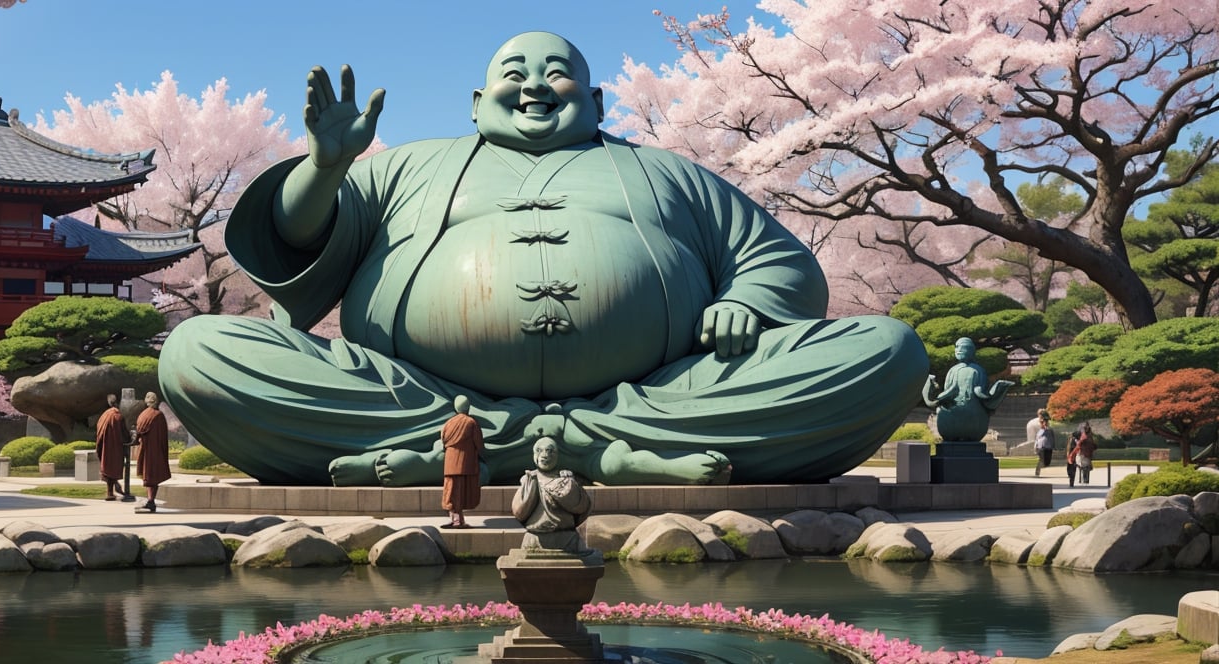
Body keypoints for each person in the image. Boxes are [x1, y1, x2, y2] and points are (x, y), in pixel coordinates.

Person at [159, 32, 928, 487]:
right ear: (476, 100)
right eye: (514, 72)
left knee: (886, 350)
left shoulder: (668, 171)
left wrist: (748, 305)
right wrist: (326, 168)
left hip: (656, 393)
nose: (534, 84)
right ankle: (580, 449)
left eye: (557, 72)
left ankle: (482, 450)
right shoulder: (404, 168)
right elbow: (294, 239)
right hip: (418, 390)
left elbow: (779, 263)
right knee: (198, 351)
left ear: (595, 100)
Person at [923, 337, 1013, 442]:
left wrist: (985, 394)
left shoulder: (978, 371)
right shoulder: (953, 370)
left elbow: (980, 391)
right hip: (954, 411)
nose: (959, 349)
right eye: (956, 347)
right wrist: (939, 398)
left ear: (971, 351)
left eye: (963, 347)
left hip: (973, 413)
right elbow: (949, 389)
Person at [512, 437, 593, 553]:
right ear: (534, 455)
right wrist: (531, 487)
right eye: (539, 451)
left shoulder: (564, 479)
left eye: (550, 451)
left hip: (567, 538)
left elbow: (582, 506)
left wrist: (570, 485)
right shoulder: (528, 480)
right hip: (535, 538)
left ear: (557, 455)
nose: (545, 455)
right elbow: (519, 512)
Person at [440, 395, 483, 529]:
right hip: (466, 463)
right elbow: (479, 443)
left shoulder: (448, 423)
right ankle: (458, 521)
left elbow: (443, 440)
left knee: (451, 492)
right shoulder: (471, 422)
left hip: (450, 463)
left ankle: (456, 519)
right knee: (461, 492)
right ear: (468, 407)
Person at [135, 392, 171, 513]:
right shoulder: (159, 415)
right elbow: (163, 436)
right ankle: (151, 500)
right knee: (153, 476)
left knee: (148, 475)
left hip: (145, 450)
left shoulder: (143, 414)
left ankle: (150, 501)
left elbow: (138, 432)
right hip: (155, 451)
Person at [95, 394, 131, 501]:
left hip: (105, 447)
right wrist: (130, 439)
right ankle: (113, 490)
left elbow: (99, 431)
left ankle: (110, 492)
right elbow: (124, 433)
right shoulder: (118, 416)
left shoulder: (104, 415)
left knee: (107, 468)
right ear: (117, 403)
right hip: (115, 448)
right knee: (113, 468)